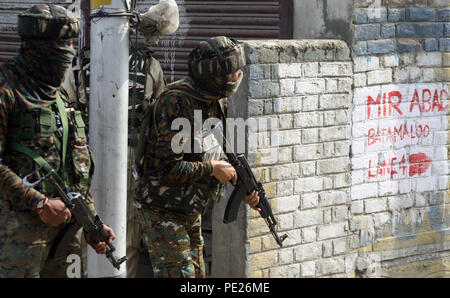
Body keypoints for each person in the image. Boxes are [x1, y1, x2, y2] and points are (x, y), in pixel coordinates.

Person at [0, 4, 115, 278]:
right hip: (17, 236)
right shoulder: (7, 90)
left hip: (65, 233)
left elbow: (75, 163)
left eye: (72, 42)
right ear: (38, 46)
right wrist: (38, 202)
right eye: (62, 43)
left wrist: (90, 221)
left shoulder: (60, 97)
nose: (69, 50)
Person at [134, 36, 260, 278]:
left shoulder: (214, 101)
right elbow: (165, 167)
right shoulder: (176, 102)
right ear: (216, 77)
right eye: (234, 71)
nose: (238, 75)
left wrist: (242, 185)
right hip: (163, 208)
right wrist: (211, 170)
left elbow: (217, 146)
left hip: (190, 208)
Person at [126, 0, 179, 278]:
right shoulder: (149, 65)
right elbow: (162, 114)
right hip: (131, 159)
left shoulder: (84, 59)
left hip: (86, 160)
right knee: (128, 236)